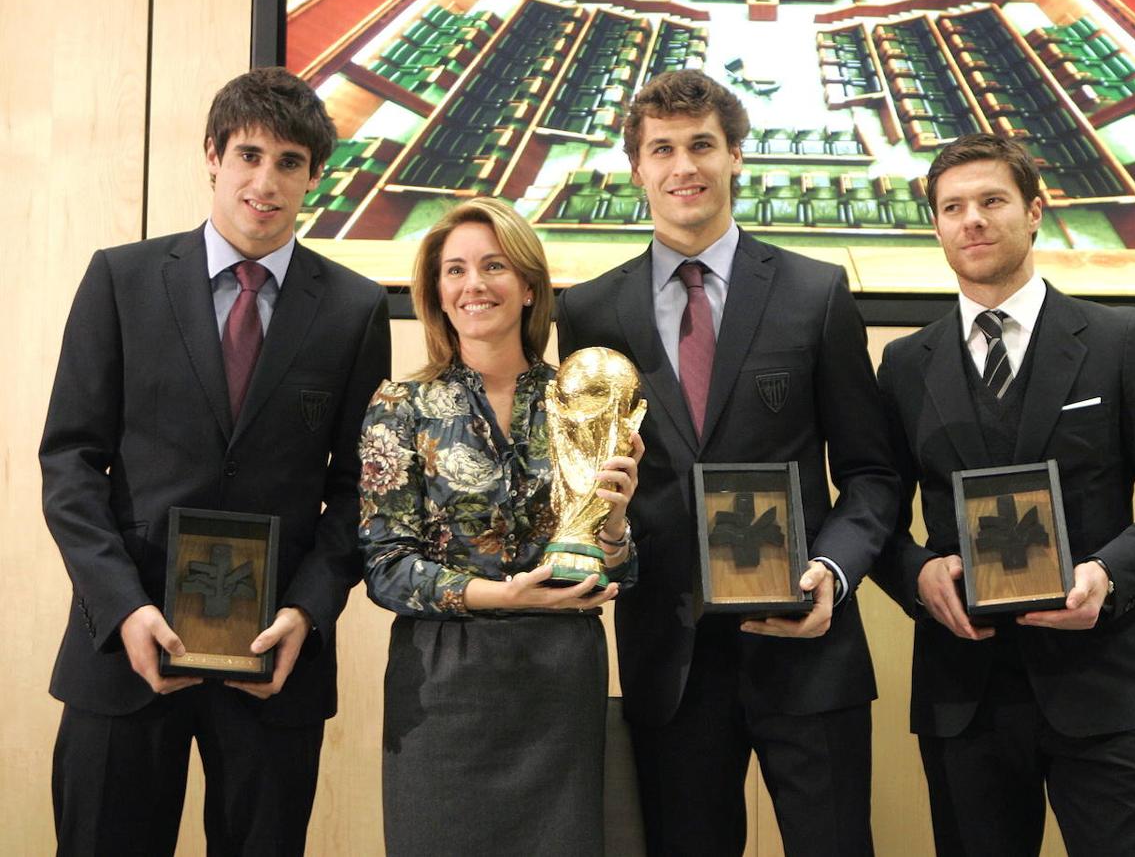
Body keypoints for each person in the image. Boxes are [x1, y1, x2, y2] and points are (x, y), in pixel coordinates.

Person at [39, 67, 391, 855]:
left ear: (314, 178)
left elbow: (357, 490)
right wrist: (123, 607)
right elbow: (69, 462)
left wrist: (307, 611)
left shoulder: (354, 309)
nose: (265, 182)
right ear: (212, 156)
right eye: (249, 155)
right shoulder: (121, 280)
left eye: (290, 163)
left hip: (275, 660)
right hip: (122, 648)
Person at [556, 69, 900, 856]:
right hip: (669, 662)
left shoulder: (815, 294)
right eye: (663, 149)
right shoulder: (588, 312)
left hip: (808, 645)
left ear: (737, 156)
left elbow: (872, 475)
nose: (685, 166)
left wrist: (835, 574)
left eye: (703, 145)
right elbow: (587, 486)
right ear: (637, 168)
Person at [874, 133, 1135, 855]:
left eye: (992, 201)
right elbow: (876, 508)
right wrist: (916, 574)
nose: (973, 220)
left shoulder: (1120, 342)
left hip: (1103, 687)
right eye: (953, 207)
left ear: (1034, 211)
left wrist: (1107, 574)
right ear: (935, 225)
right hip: (964, 695)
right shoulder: (904, 365)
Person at [358, 197, 643, 857]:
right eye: (454, 270)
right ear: (435, 291)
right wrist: (499, 596)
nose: (474, 284)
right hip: (443, 688)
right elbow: (384, 565)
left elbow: (622, 568)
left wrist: (617, 524)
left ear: (528, 286)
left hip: (558, 681)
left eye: (493, 266)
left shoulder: (583, 397)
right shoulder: (399, 407)